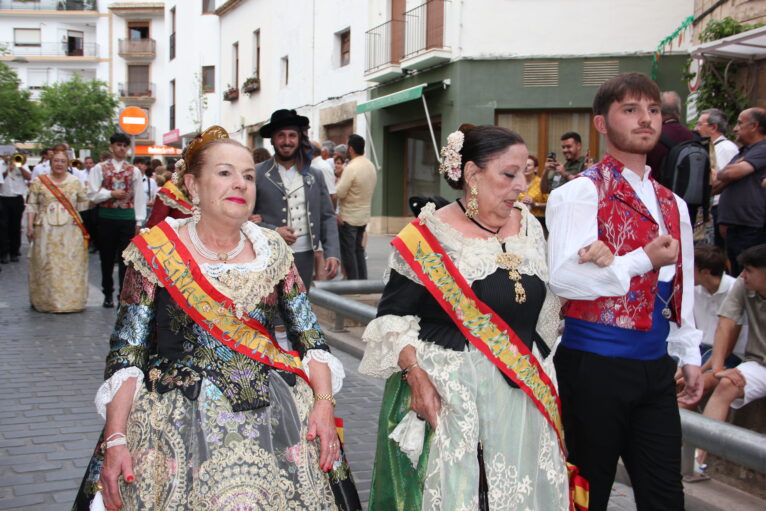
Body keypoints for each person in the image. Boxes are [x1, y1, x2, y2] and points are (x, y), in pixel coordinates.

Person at [72, 126, 360, 511]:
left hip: (276, 420)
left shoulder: (272, 249)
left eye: (247, 176)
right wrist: (117, 439)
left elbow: (310, 337)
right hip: (175, 424)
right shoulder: (155, 251)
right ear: (192, 185)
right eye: (224, 173)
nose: (239, 184)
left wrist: (323, 404)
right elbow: (127, 354)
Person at [360, 124, 582, 510]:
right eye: (509, 174)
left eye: (525, 173)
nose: (521, 185)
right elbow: (391, 319)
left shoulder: (530, 226)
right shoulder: (427, 236)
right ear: (473, 175)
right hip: (454, 396)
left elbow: (543, 304)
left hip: (522, 392)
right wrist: (416, 377)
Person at [547, 72, 703, 511]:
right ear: (601, 124)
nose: (645, 120)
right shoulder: (579, 192)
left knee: (666, 495)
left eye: (652, 110)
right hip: (592, 366)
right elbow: (562, 278)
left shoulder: (674, 202)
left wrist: (689, 352)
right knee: (585, 492)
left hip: (655, 368)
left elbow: (683, 283)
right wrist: (640, 260)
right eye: (630, 110)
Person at [696, 244, 766, 469]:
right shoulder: (742, 286)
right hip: (759, 363)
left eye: (749, 270)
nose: (743, 275)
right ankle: (698, 458)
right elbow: (725, 324)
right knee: (726, 383)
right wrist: (717, 369)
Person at [254, 109, 340, 289]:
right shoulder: (257, 173)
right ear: (272, 139)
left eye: (292, 135)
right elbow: (243, 219)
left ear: (299, 139)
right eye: (281, 136)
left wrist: (332, 253)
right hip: (268, 256)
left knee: (300, 308)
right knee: (270, 309)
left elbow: (327, 216)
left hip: (305, 256)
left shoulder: (314, 175)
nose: (287, 141)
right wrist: (273, 230)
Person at [678, 244, 748, 410]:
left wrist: (696, 371)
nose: (686, 272)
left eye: (691, 268)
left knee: (691, 384)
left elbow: (726, 348)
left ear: (705, 272)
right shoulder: (694, 290)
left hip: (727, 356)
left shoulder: (735, 290)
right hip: (699, 350)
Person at [26, 150, 89, 313]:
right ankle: (46, 301)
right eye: (56, 161)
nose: (59, 164)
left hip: (70, 229)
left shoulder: (75, 182)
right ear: (50, 162)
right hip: (45, 229)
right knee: (47, 264)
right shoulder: (39, 182)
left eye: (62, 161)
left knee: (70, 264)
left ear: (67, 163)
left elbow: (84, 204)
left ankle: (71, 301)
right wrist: (29, 226)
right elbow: (32, 205)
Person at [88, 133, 147, 308]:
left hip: (127, 218)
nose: (121, 148)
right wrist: (110, 194)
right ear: (111, 147)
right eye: (118, 145)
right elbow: (92, 193)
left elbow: (139, 198)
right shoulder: (99, 169)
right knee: (106, 257)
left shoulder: (133, 170)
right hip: (106, 217)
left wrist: (139, 221)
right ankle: (107, 292)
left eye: (124, 145)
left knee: (125, 259)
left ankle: (123, 293)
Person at [713, 107, 766, 276]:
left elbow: (730, 174)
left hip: (750, 227)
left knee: (748, 276)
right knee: (735, 275)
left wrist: (726, 171)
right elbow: (715, 187)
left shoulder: (762, 149)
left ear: (754, 126)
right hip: (734, 227)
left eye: (740, 123)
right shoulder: (743, 153)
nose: (735, 128)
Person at [695, 108, 740, 249]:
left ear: (713, 127)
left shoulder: (726, 148)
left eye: (699, 124)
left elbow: (726, 179)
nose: (696, 129)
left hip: (719, 207)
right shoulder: (713, 147)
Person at [336, 134, 376, 280]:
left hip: (349, 216)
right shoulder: (370, 165)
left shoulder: (351, 168)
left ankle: (353, 284)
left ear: (351, 148)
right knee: (359, 250)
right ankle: (363, 282)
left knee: (349, 252)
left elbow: (339, 192)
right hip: (364, 215)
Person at [646, 90, 696, 178]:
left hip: (659, 190)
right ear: (679, 111)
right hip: (690, 190)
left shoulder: (652, 138)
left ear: (658, 111)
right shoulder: (693, 137)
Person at [0, 153, 31, 263]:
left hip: (17, 199)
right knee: (3, 227)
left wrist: (20, 166)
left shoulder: (22, 164)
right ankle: (3, 253)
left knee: (16, 226)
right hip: (3, 198)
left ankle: (14, 251)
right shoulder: (0, 164)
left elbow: (29, 177)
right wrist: (7, 169)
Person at [518, 154, 547, 224]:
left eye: (528, 165)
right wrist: (519, 204)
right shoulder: (516, 183)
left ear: (536, 168)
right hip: (520, 221)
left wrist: (535, 204)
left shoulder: (542, 183)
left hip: (538, 221)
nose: (525, 167)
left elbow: (550, 204)